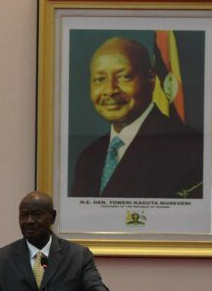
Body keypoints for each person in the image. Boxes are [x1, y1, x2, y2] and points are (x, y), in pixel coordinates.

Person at [69, 37, 203, 199]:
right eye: (99, 79)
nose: (110, 90)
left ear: (151, 79)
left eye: (124, 77)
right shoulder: (88, 157)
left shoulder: (191, 150)